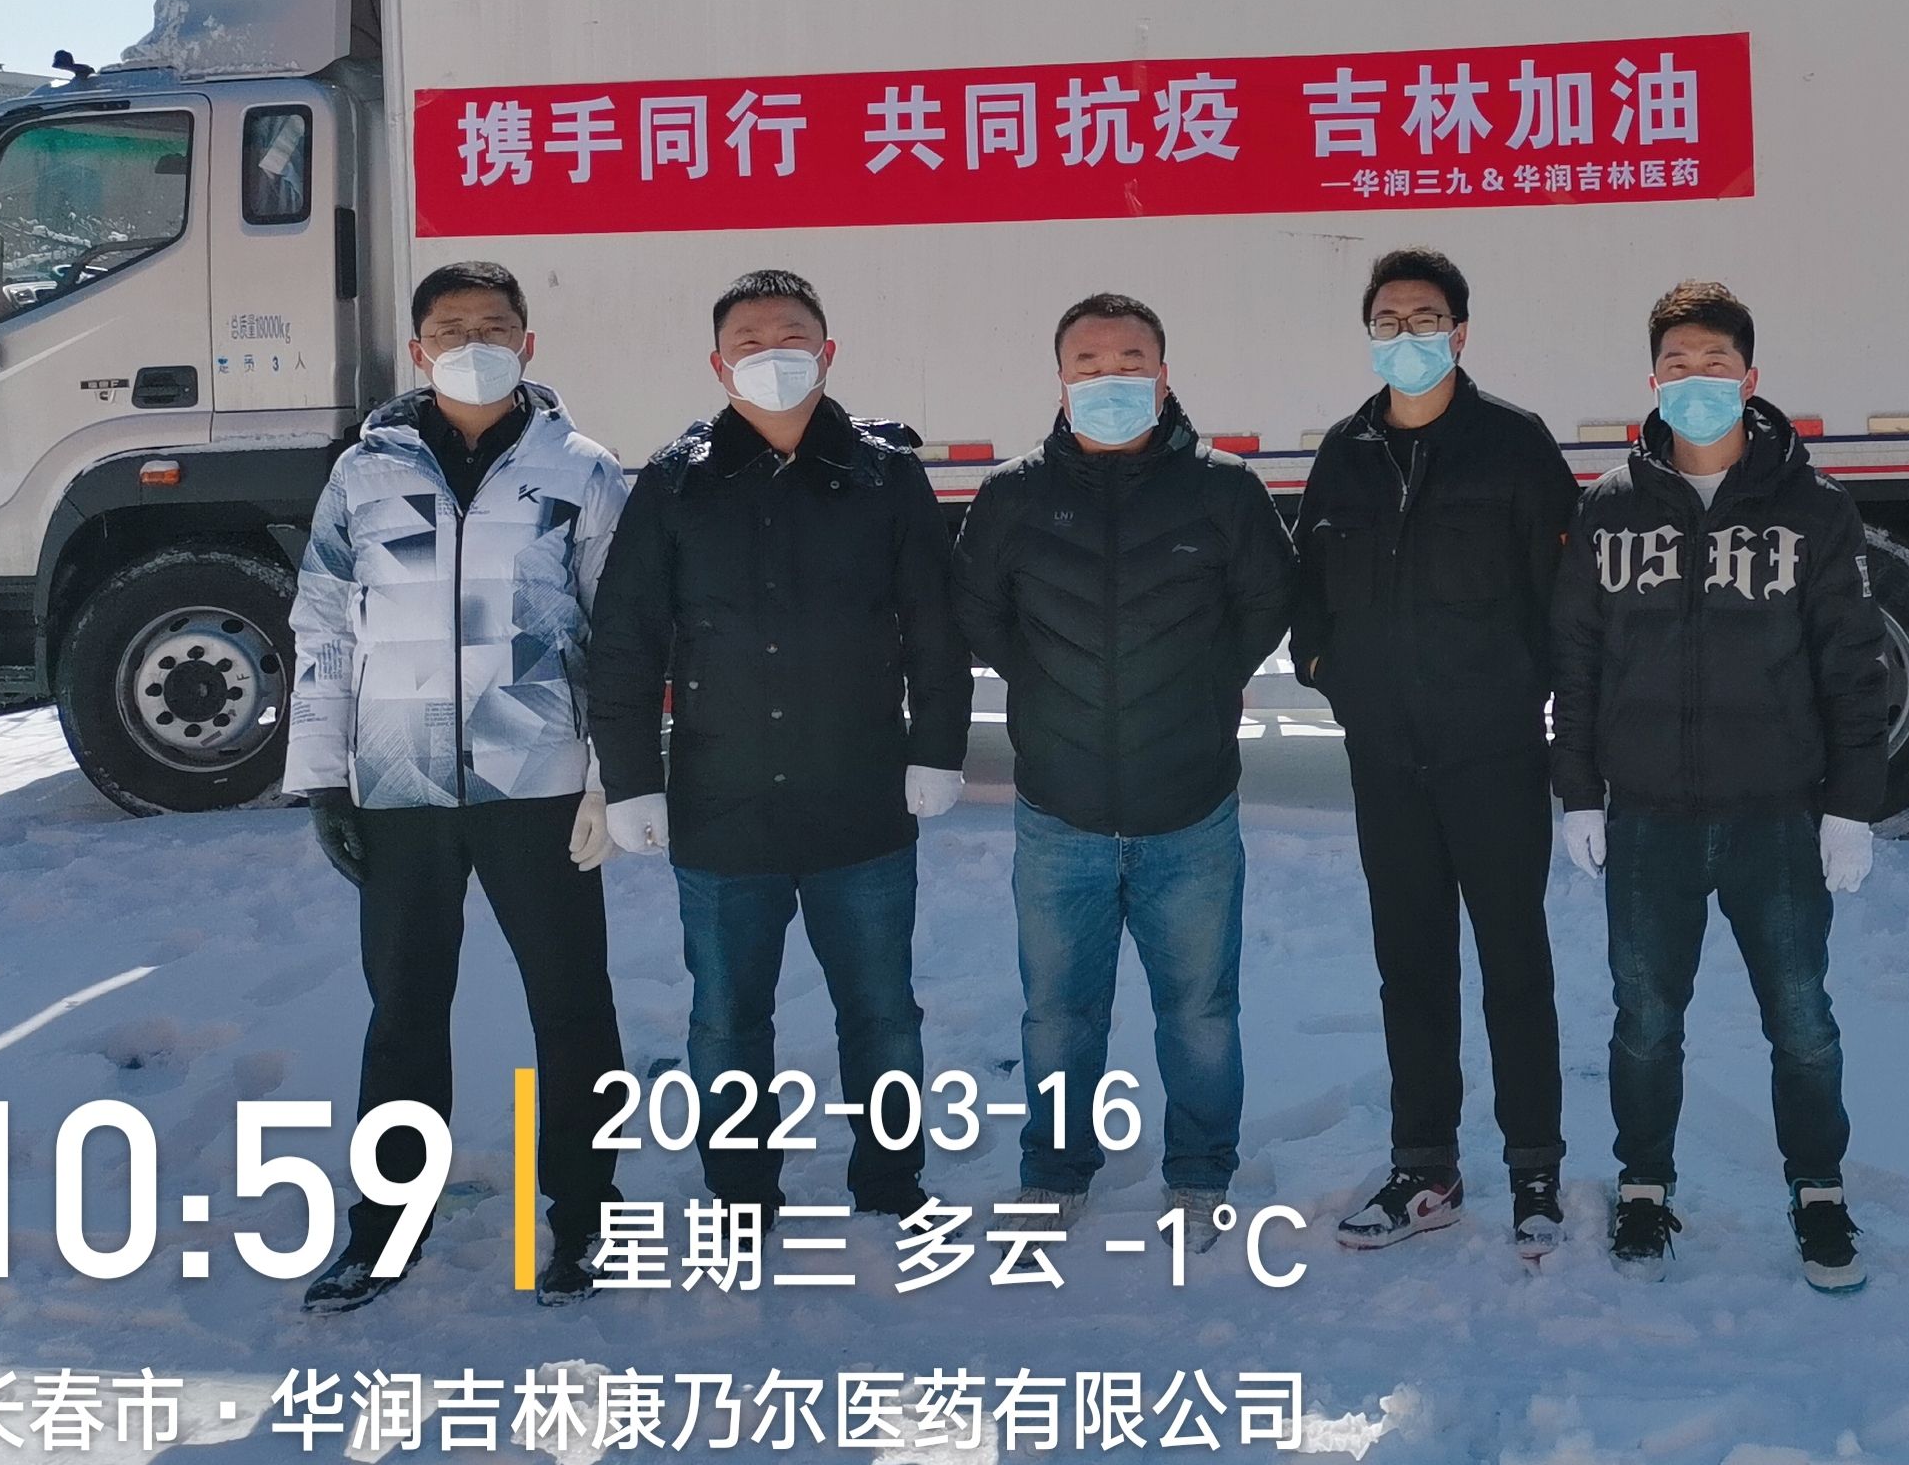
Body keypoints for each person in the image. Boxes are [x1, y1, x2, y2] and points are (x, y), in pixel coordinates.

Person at [587, 269, 974, 1231]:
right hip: (723, 804)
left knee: (881, 1012)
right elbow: (627, 638)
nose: (772, 355)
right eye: (749, 343)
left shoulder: (884, 476)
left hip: (860, 797)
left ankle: (891, 1183)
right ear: (719, 366)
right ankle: (741, 1194)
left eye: (792, 336)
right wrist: (631, 779)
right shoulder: (678, 482)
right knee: (726, 1018)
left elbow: (935, 624)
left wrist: (936, 746)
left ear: (828, 351)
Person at [285, 260, 635, 1313]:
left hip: (539, 780)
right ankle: (386, 1226)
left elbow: (623, 633)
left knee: (572, 1007)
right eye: (450, 328)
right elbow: (322, 624)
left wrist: (614, 776)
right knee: (403, 1012)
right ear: (418, 348)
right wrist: (324, 778)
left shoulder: (581, 470)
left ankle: (585, 1217)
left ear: (528, 342)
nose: (472, 343)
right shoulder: (364, 474)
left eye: (494, 325)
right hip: (400, 783)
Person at [1548, 279, 1889, 1292]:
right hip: (1648, 817)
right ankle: (1644, 1186)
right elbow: (1576, 662)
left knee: (1802, 1020)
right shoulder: (1609, 511)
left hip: (1773, 816)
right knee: (1646, 1020)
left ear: (1750, 378)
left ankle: (1818, 1190)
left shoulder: (1813, 511)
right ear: (1652, 381)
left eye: (1716, 364)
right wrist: (1579, 789)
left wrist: (1850, 806)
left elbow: (1853, 667)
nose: (1697, 381)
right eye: (1678, 365)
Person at [952, 293, 1292, 1243]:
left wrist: (1204, 682)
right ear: (1062, 379)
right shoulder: (1013, 497)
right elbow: (978, 611)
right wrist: (1046, 682)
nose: (1111, 378)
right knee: (1058, 1014)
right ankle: (1056, 1173)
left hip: (1190, 808)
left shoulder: (1224, 491)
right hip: (1058, 811)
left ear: (1164, 373)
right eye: (1090, 364)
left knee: (1200, 1010)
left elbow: (1267, 601)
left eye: (1131, 361)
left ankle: (1200, 1175)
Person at [1293, 247, 1577, 1257]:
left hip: (1494, 756)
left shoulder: (1513, 445)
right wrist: (1336, 677)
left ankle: (1535, 1171)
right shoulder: (1346, 451)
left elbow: (1566, 602)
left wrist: (1528, 697)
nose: (1404, 335)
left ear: (1459, 332)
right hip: (1388, 763)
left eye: (1423, 318)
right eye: (1387, 320)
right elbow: (1309, 588)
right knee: (1410, 968)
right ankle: (1426, 1168)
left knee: (1514, 965)